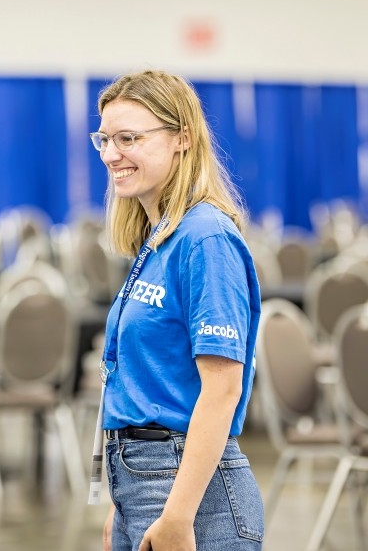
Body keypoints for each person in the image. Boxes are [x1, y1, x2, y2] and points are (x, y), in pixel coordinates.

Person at [90, 71, 264, 551]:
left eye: (128, 138)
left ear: (182, 139)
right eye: (104, 139)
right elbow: (151, 382)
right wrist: (122, 502)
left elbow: (222, 388)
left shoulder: (205, 238)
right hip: (143, 480)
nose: (110, 154)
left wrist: (176, 515)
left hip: (191, 495)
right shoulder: (162, 236)